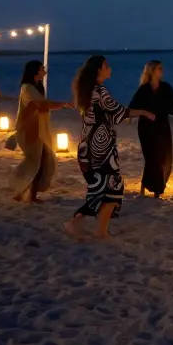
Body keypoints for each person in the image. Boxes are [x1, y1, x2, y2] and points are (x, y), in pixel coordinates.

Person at [63, 56, 156, 241]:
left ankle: (90, 227)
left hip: (87, 147)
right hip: (101, 149)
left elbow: (107, 115)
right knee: (112, 188)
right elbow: (119, 112)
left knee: (101, 189)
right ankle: (93, 229)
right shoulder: (100, 91)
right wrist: (144, 112)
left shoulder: (86, 91)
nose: (110, 69)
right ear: (98, 70)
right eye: (107, 66)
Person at [9, 61, 73, 204]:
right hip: (29, 129)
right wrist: (62, 104)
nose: (45, 71)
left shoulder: (37, 87)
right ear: (35, 72)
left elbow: (44, 107)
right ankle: (26, 193)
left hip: (39, 129)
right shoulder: (27, 88)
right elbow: (40, 105)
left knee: (39, 161)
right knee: (36, 161)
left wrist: (61, 105)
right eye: (42, 69)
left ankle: (23, 193)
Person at [128, 60, 173, 198]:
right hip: (146, 127)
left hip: (162, 126)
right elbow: (133, 107)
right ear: (152, 71)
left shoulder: (166, 87)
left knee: (165, 158)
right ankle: (156, 190)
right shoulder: (144, 89)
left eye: (162, 68)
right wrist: (138, 115)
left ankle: (150, 184)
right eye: (159, 68)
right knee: (152, 158)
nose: (162, 71)